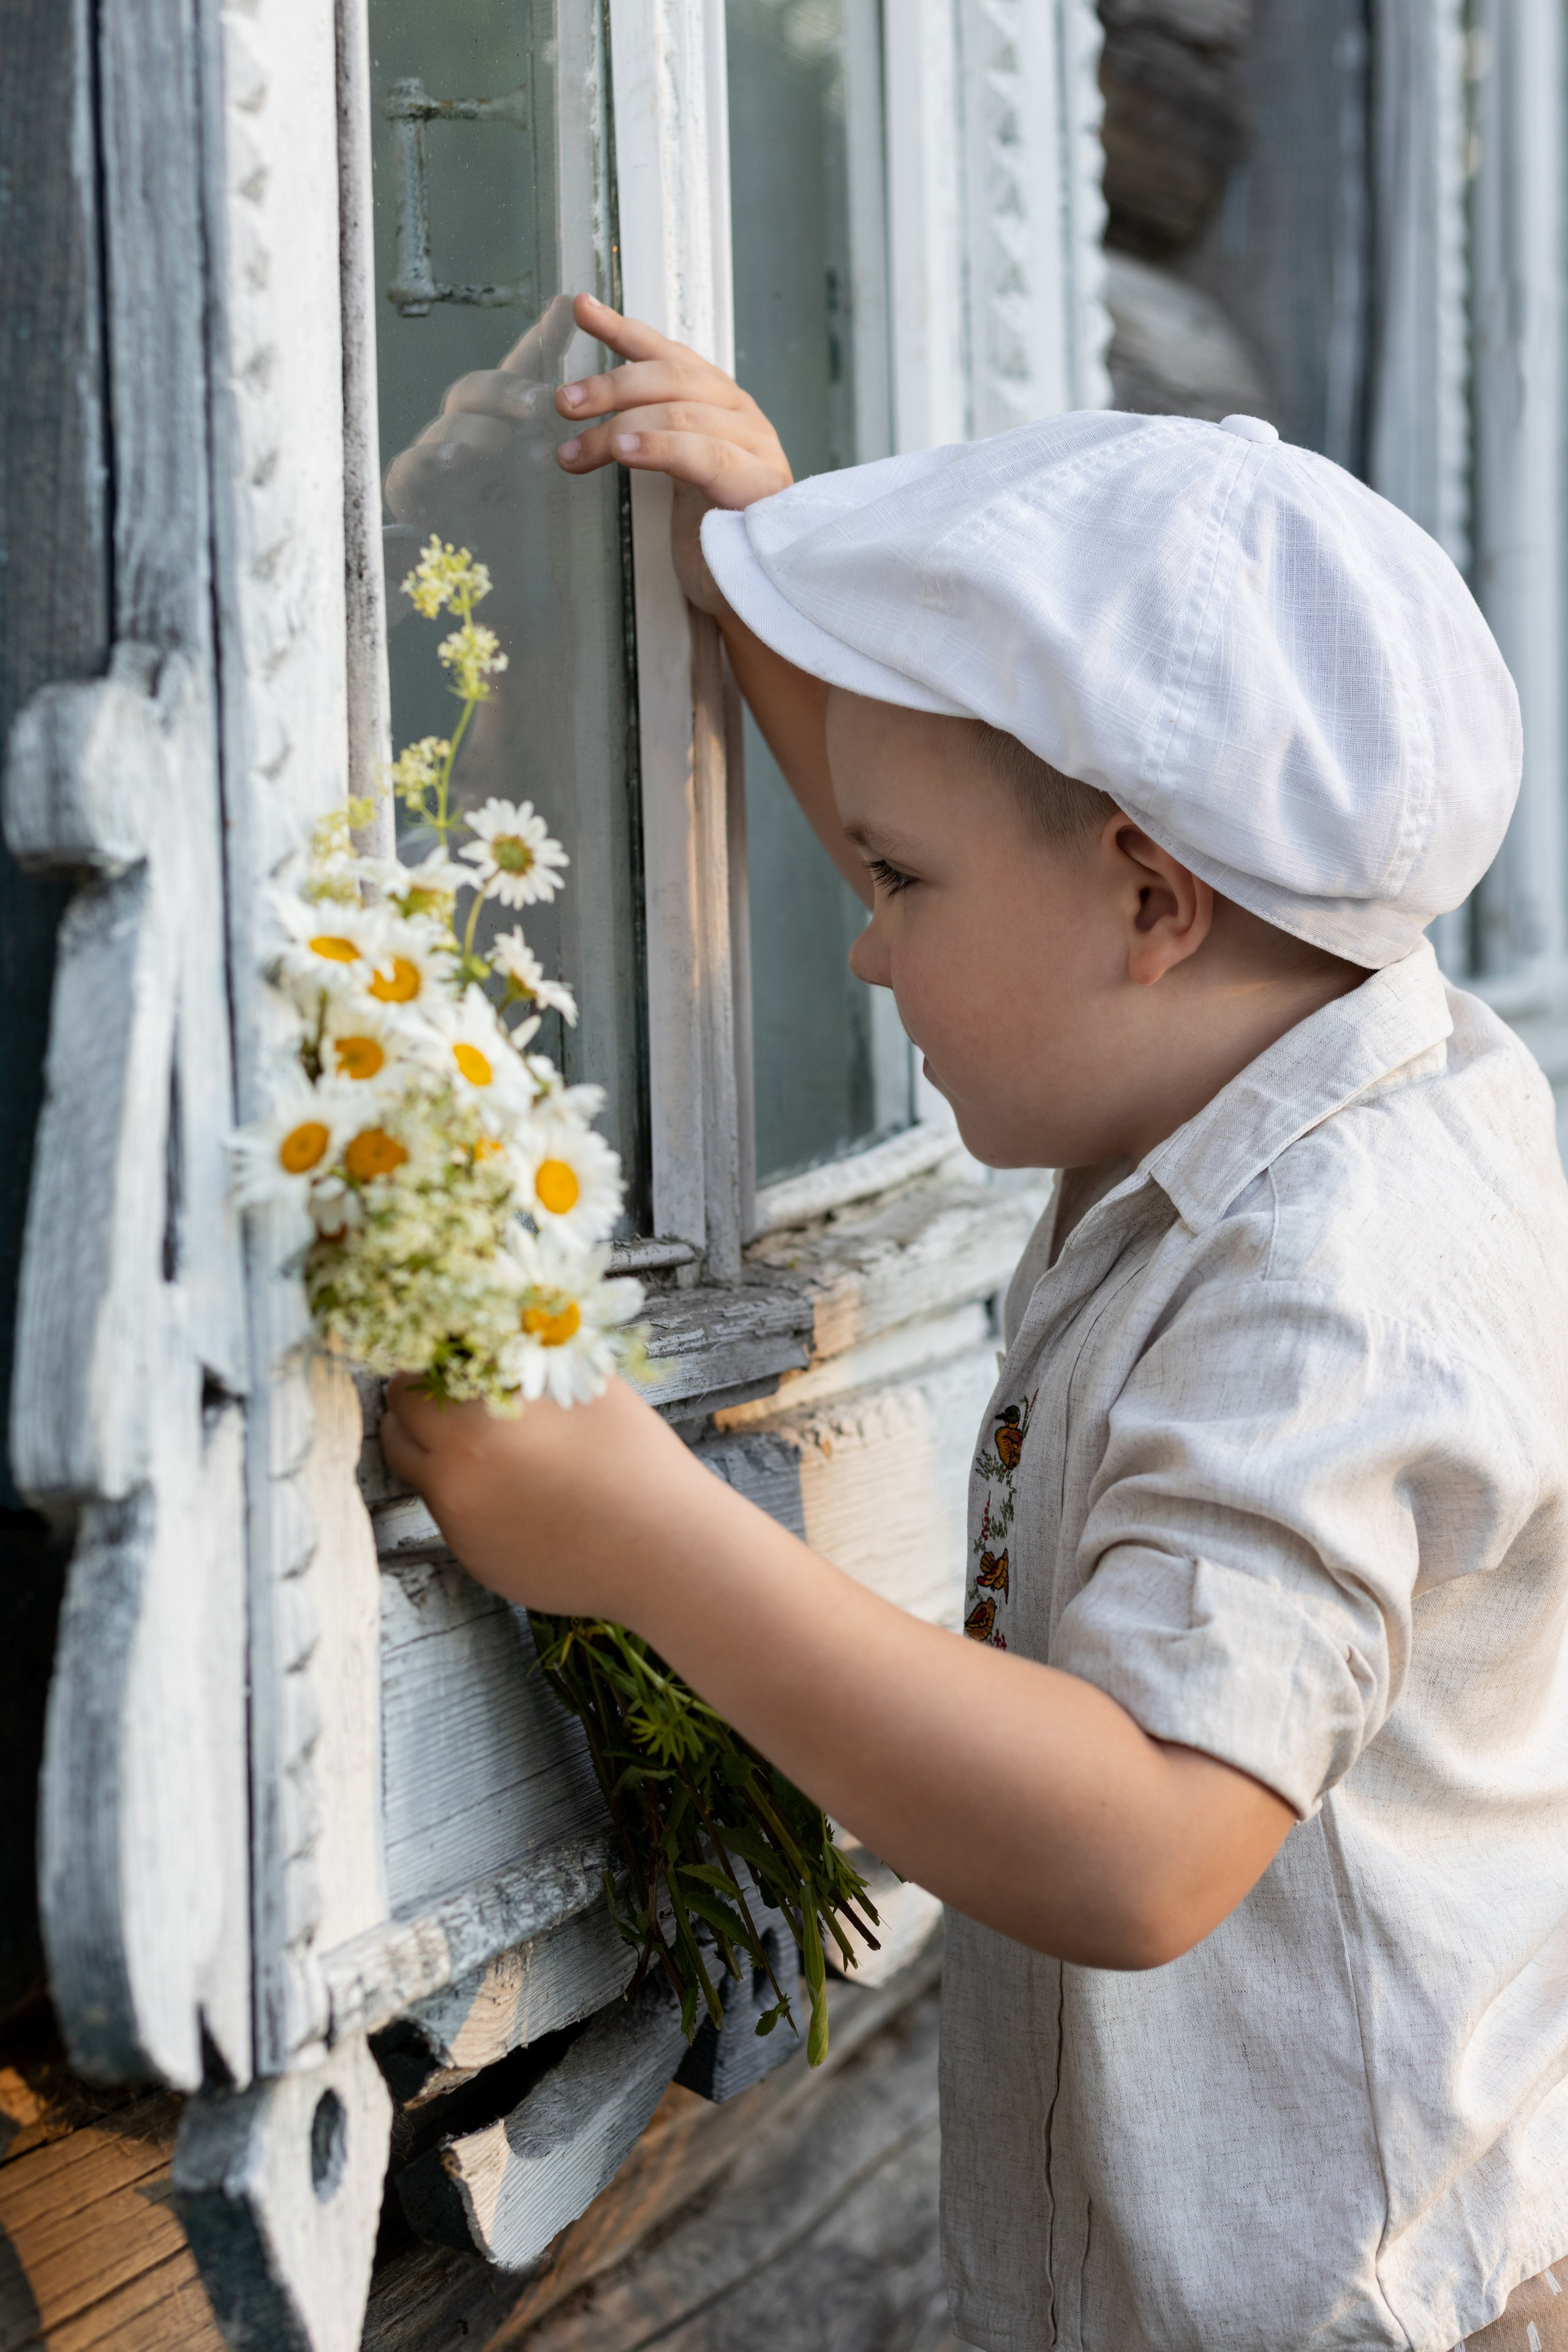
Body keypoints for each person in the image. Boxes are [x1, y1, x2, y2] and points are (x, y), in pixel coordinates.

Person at [382, 293, 1568, 2352]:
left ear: (1152, 899)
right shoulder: (1277, 1044)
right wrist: (766, 574)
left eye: (892, 878)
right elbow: (1013, 876)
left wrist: (641, 1531)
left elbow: (1146, 1838)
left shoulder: (1339, 1279)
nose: (856, 942)